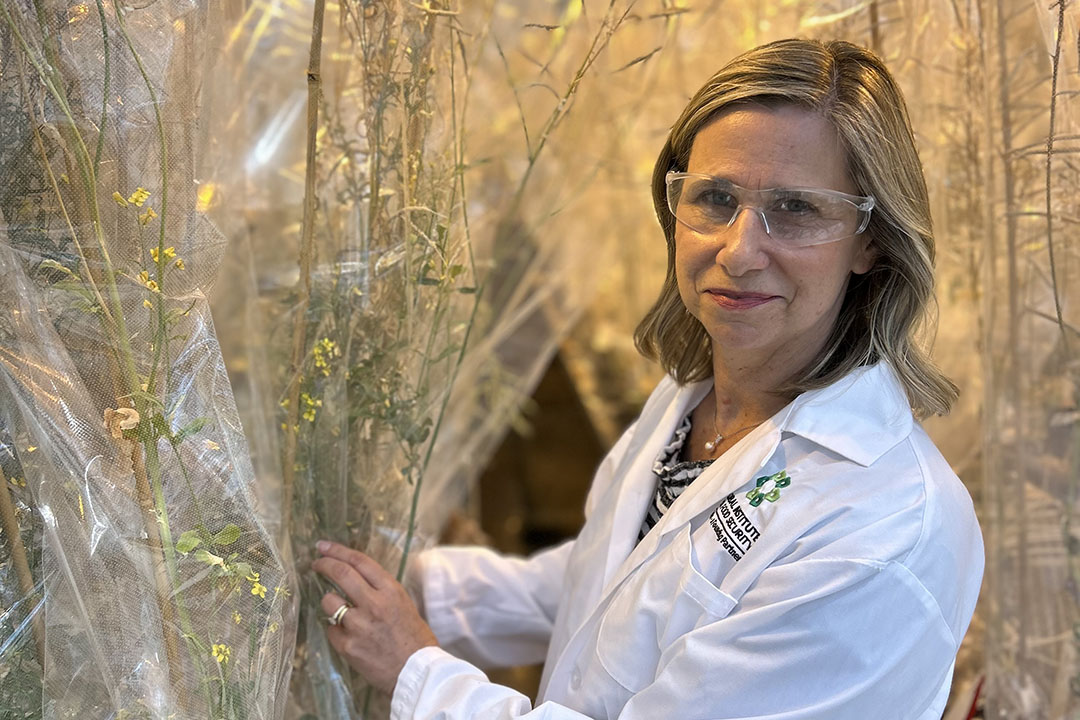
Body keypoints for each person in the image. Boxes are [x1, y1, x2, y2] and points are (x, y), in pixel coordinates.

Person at [313, 38, 984, 720]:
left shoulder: (886, 528)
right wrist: (409, 582)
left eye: (797, 209)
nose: (740, 250)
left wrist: (415, 671)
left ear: (870, 239)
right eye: (715, 198)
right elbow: (615, 588)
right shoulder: (693, 405)